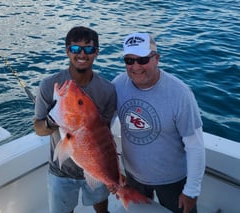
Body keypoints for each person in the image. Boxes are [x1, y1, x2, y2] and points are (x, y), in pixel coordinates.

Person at [111, 32, 205, 213]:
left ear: (157, 59)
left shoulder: (180, 93)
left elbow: (195, 145)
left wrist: (192, 190)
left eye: (143, 59)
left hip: (173, 180)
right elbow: (102, 127)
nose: (136, 66)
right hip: (133, 176)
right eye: (129, 61)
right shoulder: (118, 85)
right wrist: (112, 173)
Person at [33, 26, 116, 213]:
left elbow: (104, 136)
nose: (82, 54)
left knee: (102, 209)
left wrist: (112, 175)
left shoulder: (108, 90)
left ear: (96, 53)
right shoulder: (48, 85)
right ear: (67, 51)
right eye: (76, 48)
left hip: (95, 167)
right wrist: (53, 121)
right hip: (60, 171)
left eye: (88, 49)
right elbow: (38, 128)